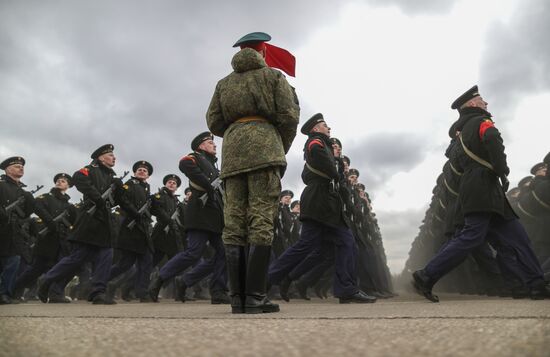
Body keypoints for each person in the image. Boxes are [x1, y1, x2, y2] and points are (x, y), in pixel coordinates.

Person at [412, 85, 549, 302]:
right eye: (482, 100)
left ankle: (534, 284)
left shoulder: (461, 134)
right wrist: (502, 169)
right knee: (472, 236)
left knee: (516, 238)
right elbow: (493, 139)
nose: (486, 103)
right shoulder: (481, 122)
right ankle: (426, 275)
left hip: (480, 188)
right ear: (473, 104)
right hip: (483, 186)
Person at [206, 32, 300, 313]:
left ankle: (237, 299)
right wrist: (276, 143)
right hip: (265, 148)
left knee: (233, 220)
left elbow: (213, 120)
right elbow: (289, 115)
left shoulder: (224, 83)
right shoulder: (273, 77)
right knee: (261, 218)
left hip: (233, 154)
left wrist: (236, 132)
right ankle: (256, 297)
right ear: (261, 52)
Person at [268, 113, 376, 304]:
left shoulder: (323, 144)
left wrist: (335, 168)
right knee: (307, 246)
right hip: (319, 201)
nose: (329, 128)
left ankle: (346, 289)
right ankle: (267, 279)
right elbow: (317, 159)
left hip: (326, 203)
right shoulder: (316, 141)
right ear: (316, 128)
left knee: (341, 243)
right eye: (325, 125)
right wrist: (335, 169)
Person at [148, 132, 229, 304]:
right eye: (209, 143)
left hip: (215, 215)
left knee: (225, 253)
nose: (214, 145)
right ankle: (159, 280)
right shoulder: (195, 157)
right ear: (201, 146)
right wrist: (208, 186)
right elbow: (184, 164)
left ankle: (214, 289)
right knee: (194, 253)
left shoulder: (215, 167)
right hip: (199, 213)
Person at [38, 144, 122, 304]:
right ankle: (47, 279)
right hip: (90, 220)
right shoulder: (90, 170)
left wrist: (118, 190)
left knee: (106, 254)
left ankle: (98, 292)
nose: (114, 158)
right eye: (110, 155)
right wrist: (98, 198)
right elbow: (78, 178)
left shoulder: (111, 177)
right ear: (101, 157)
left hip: (104, 221)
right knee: (78, 257)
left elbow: (114, 202)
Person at [15, 173, 76, 303]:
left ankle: (56, 294)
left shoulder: (69, 205)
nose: (60, 182)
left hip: (61, 241)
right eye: (58, 180)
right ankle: (15, 290)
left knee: (64, 268)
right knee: (35, 270)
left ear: (69, 186)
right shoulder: (45, 197)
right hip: (47, 239)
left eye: (64, 181)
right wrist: (50, 222)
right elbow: (37, 206)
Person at [106, 161, 154, 303]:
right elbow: (123, 200)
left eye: (145, 170)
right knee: (125, 264)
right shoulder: (129, 184)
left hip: (143, 230)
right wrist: (135, 213)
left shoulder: (146, 188)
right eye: (139, 169)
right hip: (131, 229)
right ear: (134, 172)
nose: (142, 171)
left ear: (148, 175)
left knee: (147, 262)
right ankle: (101, 280)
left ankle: (142, 292)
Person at [0, 156, 35, 304]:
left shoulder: (24, 192)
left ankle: (5, 294)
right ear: (7, 169)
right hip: (1, 228)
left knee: (13, 261)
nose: (20, 167)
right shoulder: (1, 186)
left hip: (15, 231)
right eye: (16, 166)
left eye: (21, 166)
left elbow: (26, 213)